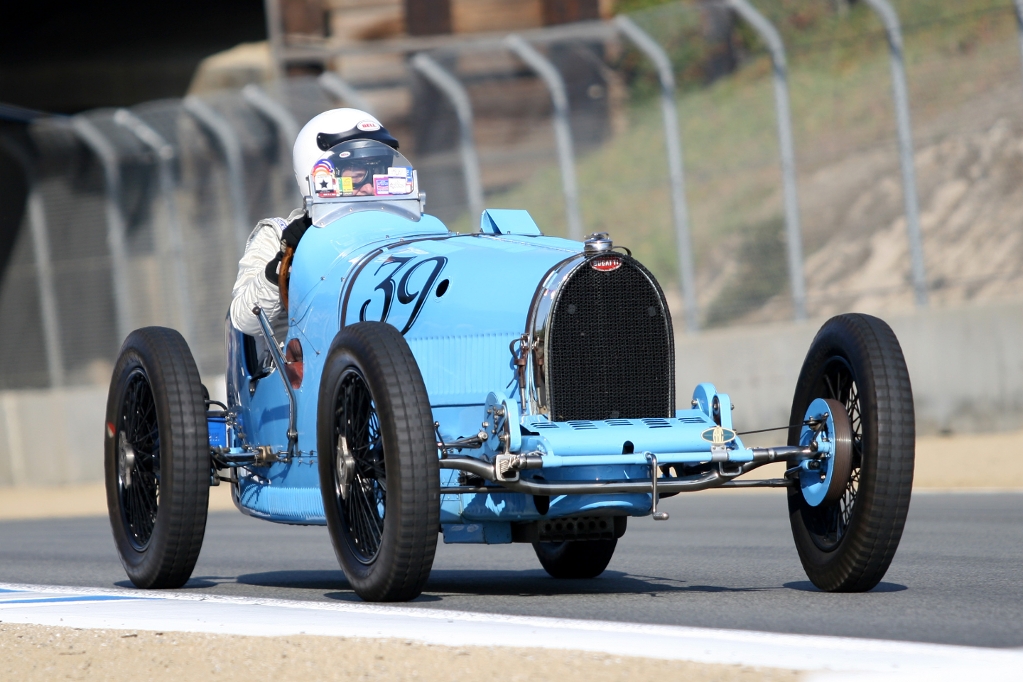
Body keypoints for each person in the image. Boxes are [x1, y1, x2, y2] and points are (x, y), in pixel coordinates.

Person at [229, 108, 400, 340]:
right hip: (306, 362)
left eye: (378, 170)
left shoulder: (400, 225)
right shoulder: (279, 234)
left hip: (392, 353)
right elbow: (245, 319)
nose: (370, 186)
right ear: (319, 172)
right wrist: (284, 263)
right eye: (357, 172)